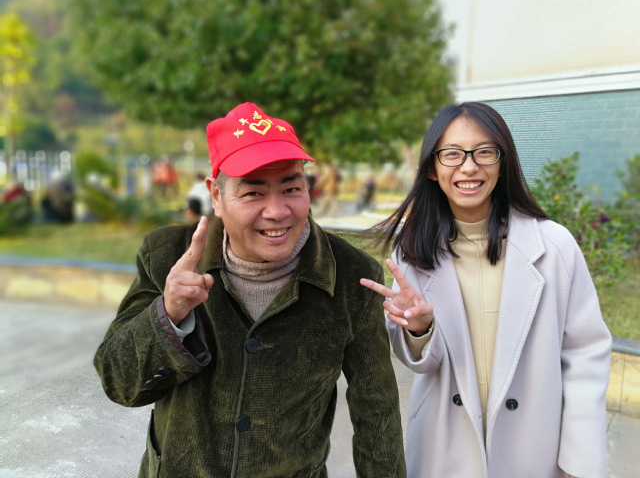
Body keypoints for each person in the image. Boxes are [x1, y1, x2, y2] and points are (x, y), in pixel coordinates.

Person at [94, 102, 406, 477]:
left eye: (291, 188)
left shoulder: (353, 276)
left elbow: (377, 411)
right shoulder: (166, 256)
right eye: (253, 193)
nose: (277, 211)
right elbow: (120, 384)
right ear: (215, 195)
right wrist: (168, 314)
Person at [360, 102, 611, 478]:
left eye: (484, 152)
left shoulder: (554, 246)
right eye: (452, 154)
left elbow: (585, 356)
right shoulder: (413, 251)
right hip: (444, 449)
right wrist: (419, 330)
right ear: (432, 168)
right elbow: (422, 363)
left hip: (533, 448)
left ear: (502, 162)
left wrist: (580, 463)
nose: (469, 166)